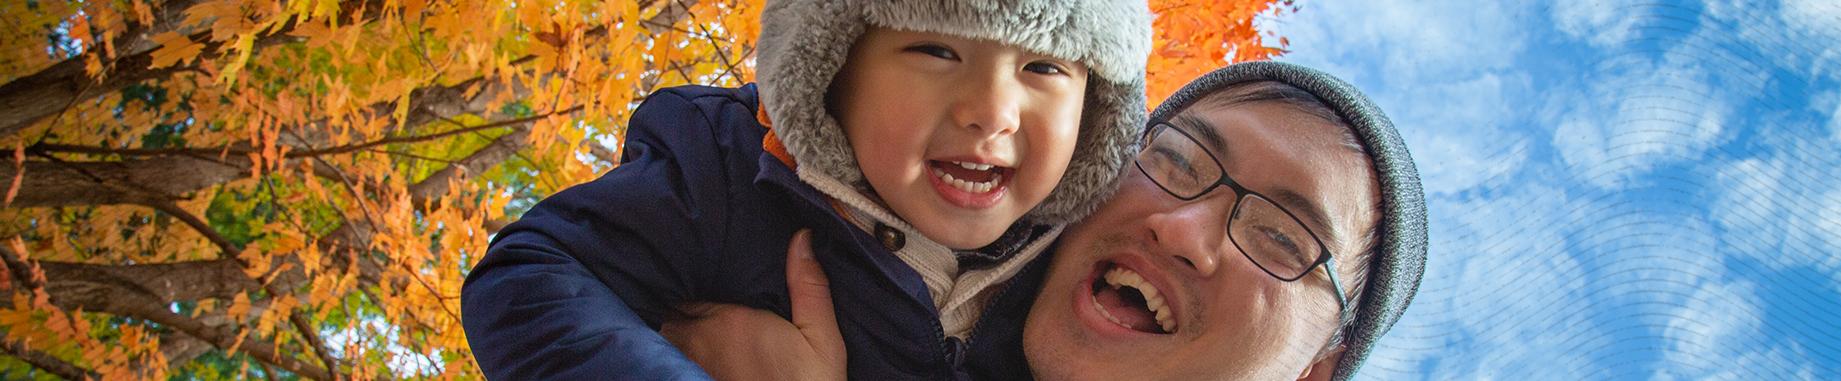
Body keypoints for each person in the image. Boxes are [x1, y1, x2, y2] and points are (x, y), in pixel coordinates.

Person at [460, 0, 1152, 379]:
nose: (992, 111)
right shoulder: (726, 172)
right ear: (834, 72)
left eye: (1043, 67)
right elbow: (535, 278)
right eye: (936, 51)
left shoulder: (1068, 282)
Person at [662, 61, 1428, 381]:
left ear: (1313, 371)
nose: (1182, 229)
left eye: (1282, 238)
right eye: (1178, 160)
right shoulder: (819, 208)